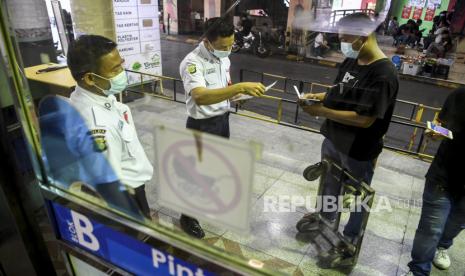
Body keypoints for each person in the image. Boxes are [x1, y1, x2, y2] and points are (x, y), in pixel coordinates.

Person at [296, 12, 399, 244]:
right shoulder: (352, 60)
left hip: (358, 150)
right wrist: (317, 96)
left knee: (357, 196)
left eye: (345, 38)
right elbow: (339, 89)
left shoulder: (384, 75)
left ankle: (352, 237)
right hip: (333, 139)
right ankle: (324, 218)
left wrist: (321, 111)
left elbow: (364, 120)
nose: (342, 44)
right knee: (328, 184)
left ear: (363, 35)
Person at [179, 17, 265, 238]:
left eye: (231, 45)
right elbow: (200, 96)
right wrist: (239, 86)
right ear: (208, 43)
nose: (228, 50)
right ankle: (187, 216)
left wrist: (238, 96)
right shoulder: (193, 62)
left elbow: (223, 88)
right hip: (201, 125)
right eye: (223, 46)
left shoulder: (223, 60)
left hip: (222, 121)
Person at [66, 35, 153, 218]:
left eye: (121, 64)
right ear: (90, 78)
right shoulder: (98, 126)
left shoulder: (94, 95)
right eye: (115, 69)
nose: (122, 72)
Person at [403, 88, 465, 276]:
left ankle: (443, 246)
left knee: (456, 224)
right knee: (430, 228)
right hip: (444, 173)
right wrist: (434, 129)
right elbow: (441, 122)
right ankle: (419, 270)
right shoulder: (460, 95)